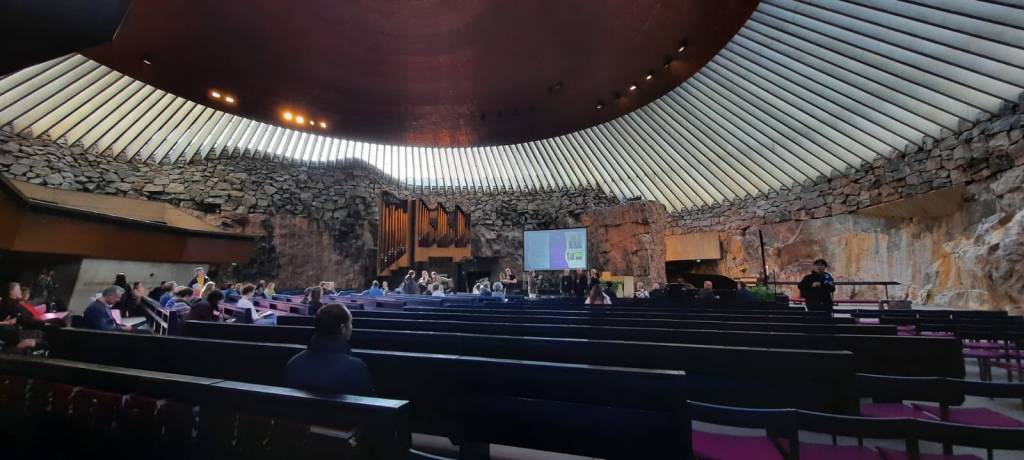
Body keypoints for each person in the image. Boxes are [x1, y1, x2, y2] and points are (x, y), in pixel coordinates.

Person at [286, 303, 374, 395]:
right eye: (350, 323)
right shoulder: (356, 368)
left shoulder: (293, 363)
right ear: (343, 328)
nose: (352, 327)